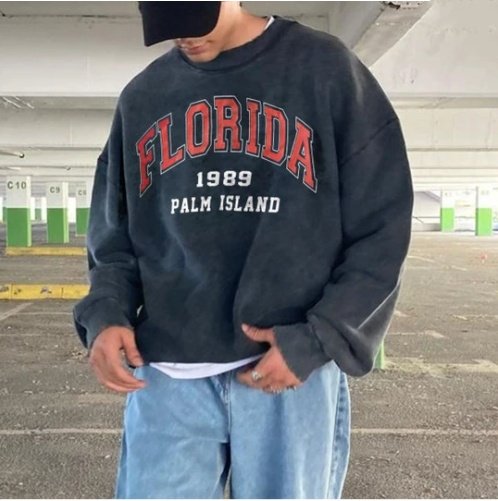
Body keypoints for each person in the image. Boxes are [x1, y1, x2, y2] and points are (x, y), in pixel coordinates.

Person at [72, 1, 414, 498]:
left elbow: (381, 225)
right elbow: (113, 233)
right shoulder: (145, 96)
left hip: (286, 371)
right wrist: (106, 315)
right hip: (169, 373)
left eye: (194, 21)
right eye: (168, 27)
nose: (185, 38)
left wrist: (320, 338)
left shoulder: (323, 70)